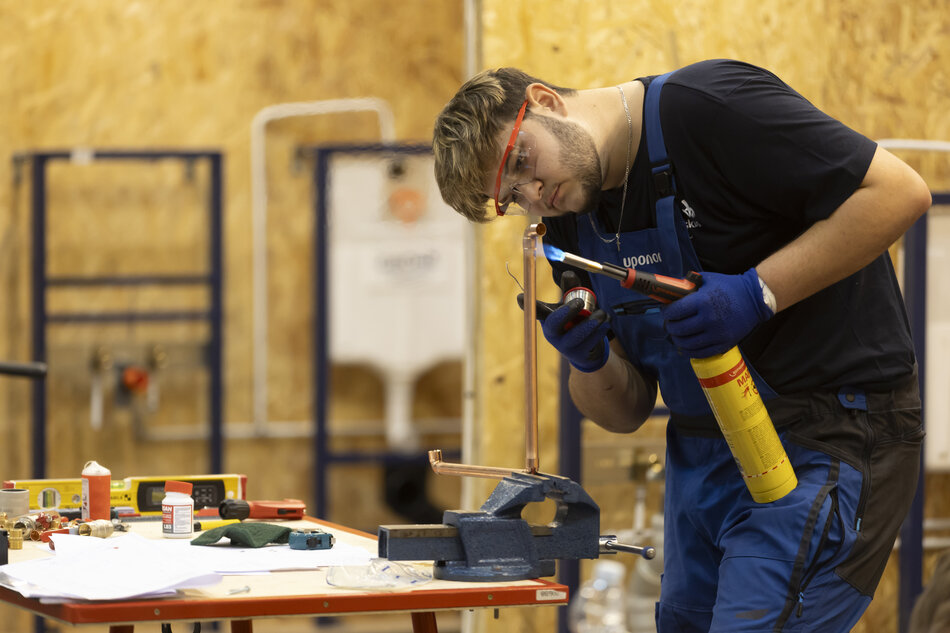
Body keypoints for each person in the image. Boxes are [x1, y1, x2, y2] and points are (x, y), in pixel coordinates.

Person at [431, 59, 932, 633]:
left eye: (522, 162)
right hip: (702, 455)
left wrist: (757, 293)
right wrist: (588, 361)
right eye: (514, 196)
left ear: (544, 101)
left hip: (824, 437)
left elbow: (898, 192)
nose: (537, 194)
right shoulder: (572, 211)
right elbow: (625, 411)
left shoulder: (710, 108)